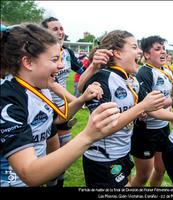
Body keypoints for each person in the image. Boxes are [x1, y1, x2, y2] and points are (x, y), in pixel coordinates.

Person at [0, 23, 121, 187]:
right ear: (28, 62)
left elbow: (52, 119)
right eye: (54, 59)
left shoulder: (39, 86)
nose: (62, 65)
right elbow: (29, 173)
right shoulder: (8, 100)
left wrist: (81, 99)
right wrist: (88, 136)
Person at [82, 30, 166, 187]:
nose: (140, 51)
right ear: (118, 53)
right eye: (134, 47)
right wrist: (142, 106)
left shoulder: (129, 79)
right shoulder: (102, 78)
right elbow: (104, 125)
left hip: (122, 153)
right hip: (104, 159)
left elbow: (140, 110)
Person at [130, 36, 173, 187]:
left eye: (164, 49)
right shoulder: (144, 73)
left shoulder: (167, 71)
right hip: (146, 132)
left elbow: (166, 99)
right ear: (146, 54)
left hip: (163, 129)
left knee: (160, 170)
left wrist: (171, 119)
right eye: (158, 49)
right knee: (143, 176)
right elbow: (149, 108)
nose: (163, 52)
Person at [41, 17, 86, 186]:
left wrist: (96, 68)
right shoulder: (40, 54)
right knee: (49, 156)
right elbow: (51, 85)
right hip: (46, 107)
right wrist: (80, 100)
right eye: (55, 29)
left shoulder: (67, 53)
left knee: (63, 155)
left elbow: (83, 70)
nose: (60, 32)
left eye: (61, 28)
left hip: (64, 107)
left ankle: (57, 182)